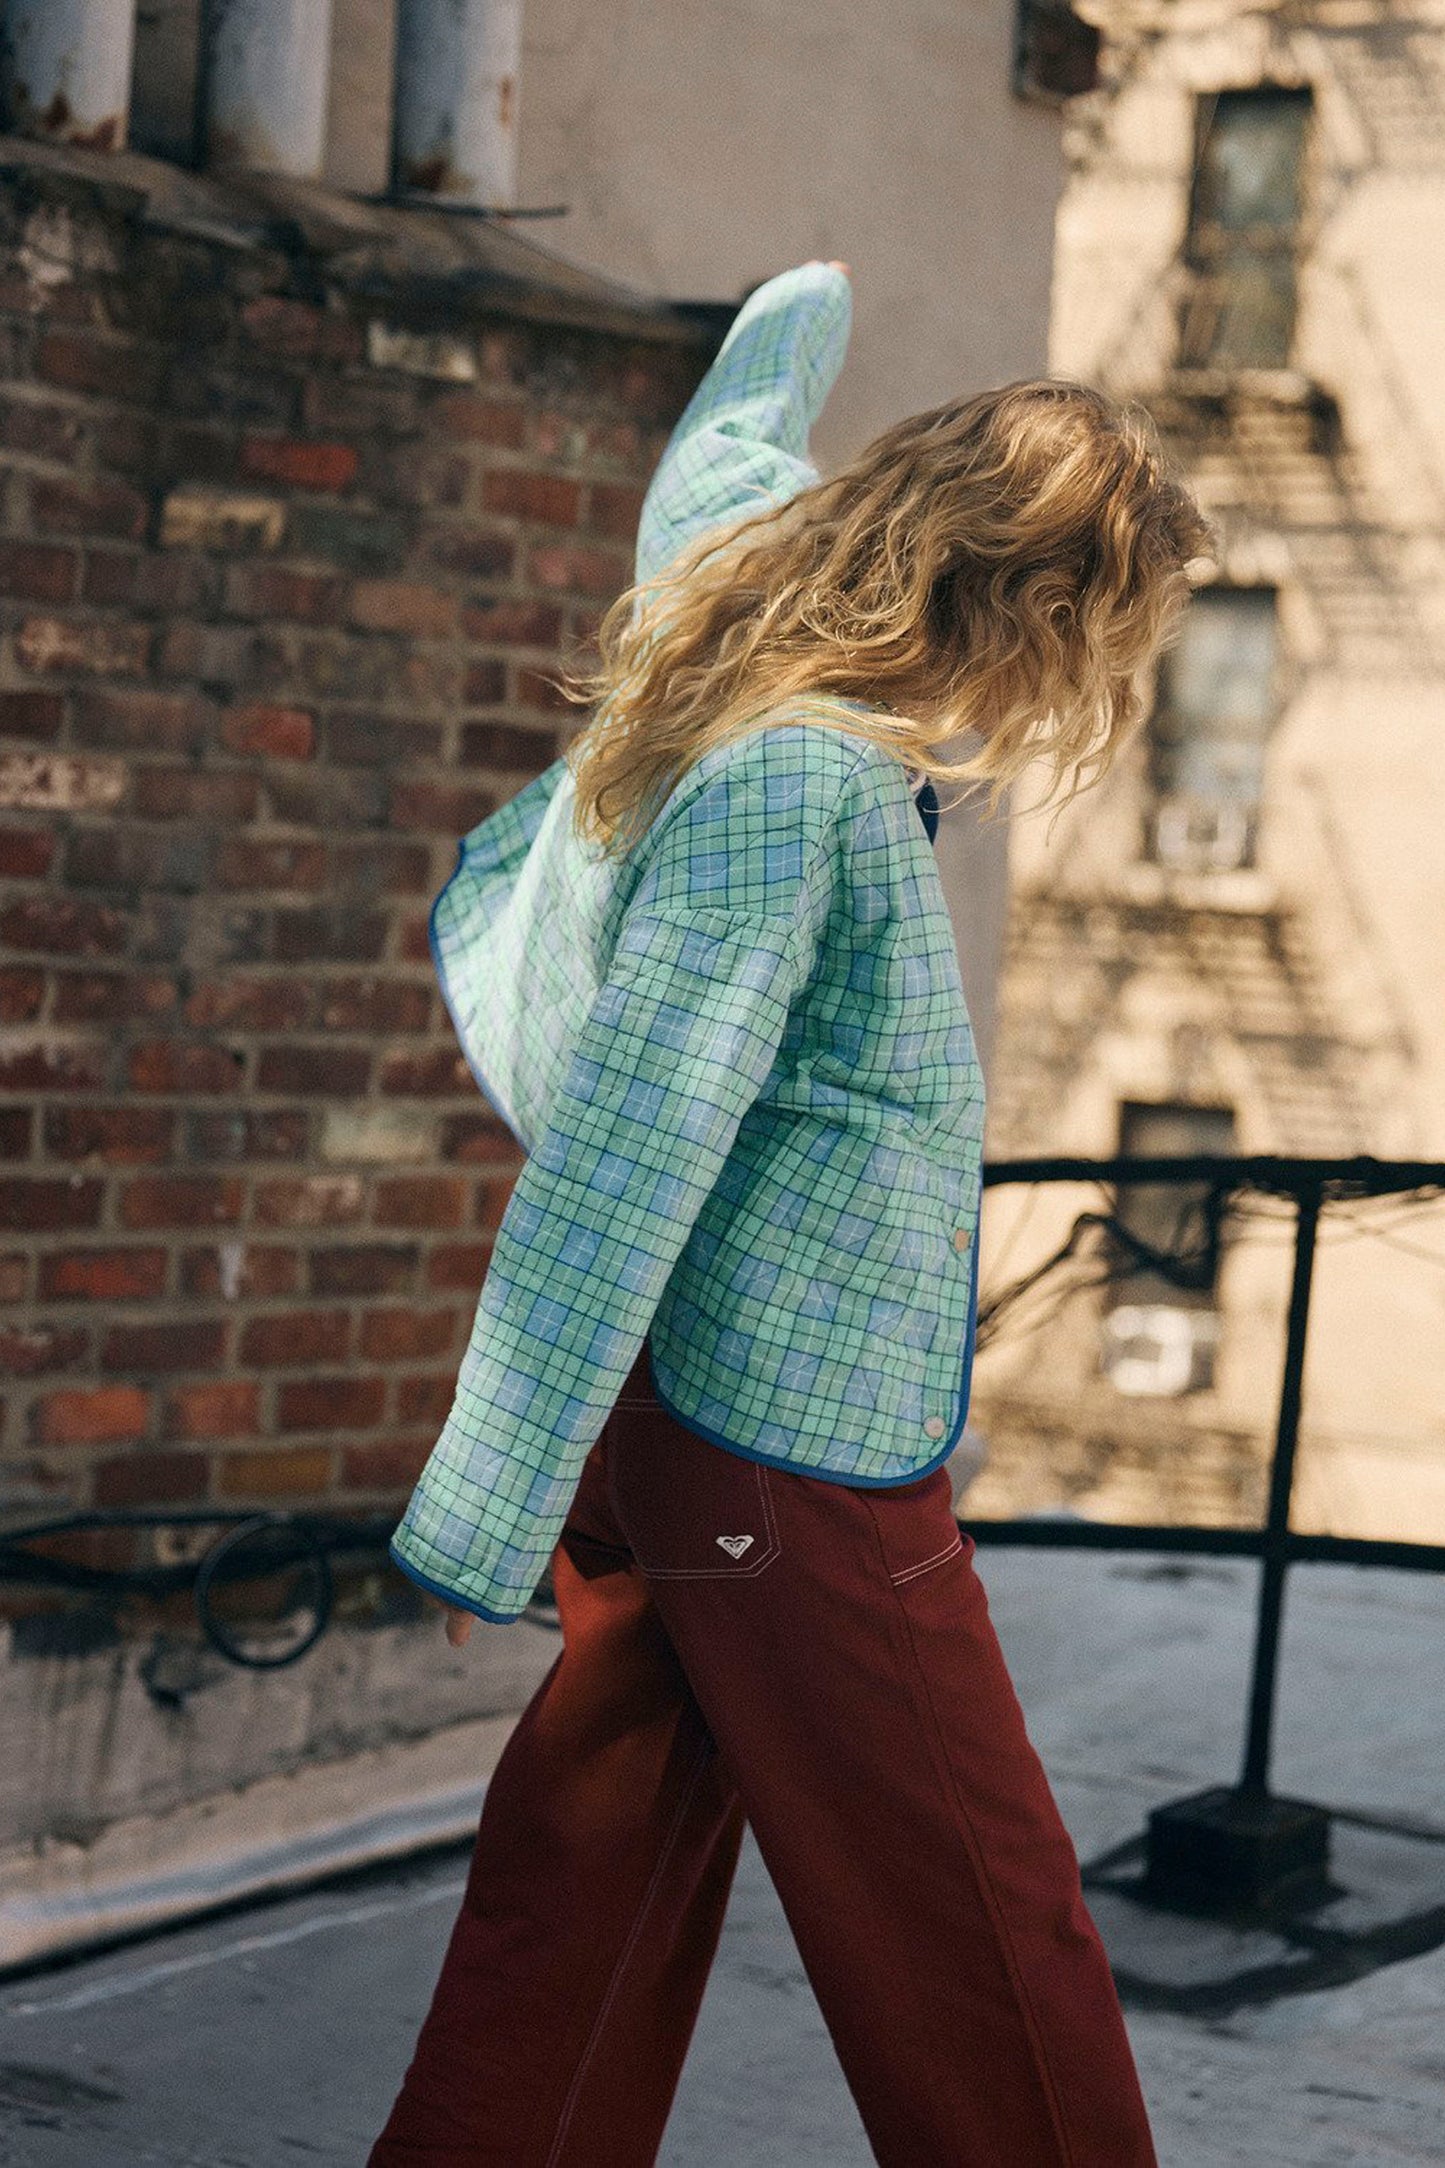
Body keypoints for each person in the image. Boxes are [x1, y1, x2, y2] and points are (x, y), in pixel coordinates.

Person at [369, 260, 1212, 2167]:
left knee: (582, 1910)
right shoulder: (795, 786)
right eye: (1092, 639)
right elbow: (626, 1148)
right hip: (784, 1456)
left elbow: (726, 456)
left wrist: (789, 327)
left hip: (699, 1433)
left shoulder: (757, 669)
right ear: (1018, 601)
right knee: (981, 1924)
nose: (1067, 693)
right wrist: (481, 1507)